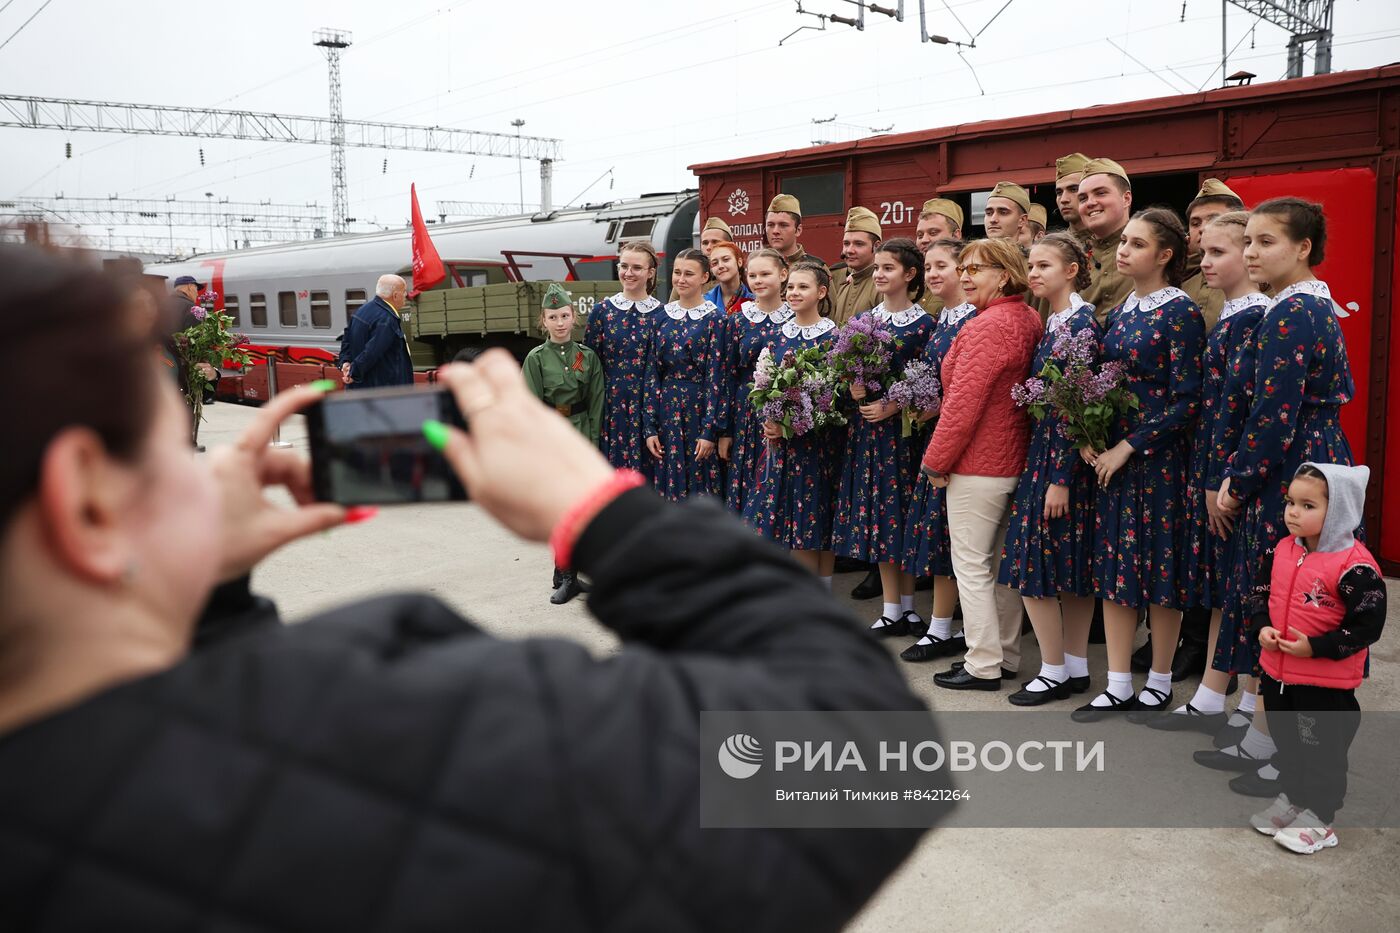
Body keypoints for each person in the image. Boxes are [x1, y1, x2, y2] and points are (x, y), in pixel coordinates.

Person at [0, 243, 929, 931]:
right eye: (171, 454)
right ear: (85, 504)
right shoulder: (399, 714)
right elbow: (864, 756)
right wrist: (599, 508)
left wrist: (202, 591)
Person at [1206, 198, 1356, 774]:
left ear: (1303, 248)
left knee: (1293, 608)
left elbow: (1273, 412)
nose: (1250, 253)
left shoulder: (1294, 311)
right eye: (1248, 242)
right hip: (1305, 463)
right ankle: (1269, 740)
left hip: (1292, 471)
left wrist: (1238, 483)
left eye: (1265, 242)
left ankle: (1289, 754)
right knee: (1284, 602)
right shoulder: (1302, 305)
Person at [1075, 208, 1205, 721]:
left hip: (1158, 461)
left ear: (1165, 255)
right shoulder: (1125, 307)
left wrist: (1128, 446)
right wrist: (1089, 436)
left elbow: (1188, 399)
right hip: (1112, 460)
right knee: (1116, 570)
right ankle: (1118, 681)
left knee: (1160, 572)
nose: (1122, 250)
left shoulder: (1181, 312)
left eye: (1135, 243)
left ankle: (1160, 679)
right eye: (1123, 242)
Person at [1149, 212, 1268, 731]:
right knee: (1225, 589)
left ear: (1249, 254)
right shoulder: (1235, 313)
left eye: (1218, 252)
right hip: (1216, 469)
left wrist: (1225, 481)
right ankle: (1214, 697)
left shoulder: (1256, 316)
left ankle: (1248, 702)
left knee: (1249, 592)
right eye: (1205, 250)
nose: (1204, 260)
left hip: (1235, 477)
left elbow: (1244, 410)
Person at [921, 238, 1042, 691]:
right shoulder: (1026, 317)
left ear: (1005, 275)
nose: (966, 276)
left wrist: (935, 461)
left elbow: (962, 405)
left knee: (971, 566)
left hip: (979, 463)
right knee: (998, 567)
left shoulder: (987, 326)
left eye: (978, 269)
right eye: (964, 268)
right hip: (1014, 458)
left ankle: (982, 664)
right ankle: (1004, 656)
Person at [1244, 463, 1384, 854]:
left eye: (1307, 505)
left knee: (1322, 751)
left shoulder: (1355, 566)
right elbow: (1258, 593)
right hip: (1278, 674)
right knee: (1288, 745)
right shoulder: (1281, 550)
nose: (1292, 512)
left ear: (1338, 510)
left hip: (1324, 685)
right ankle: (1293, 798)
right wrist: (1261, 627)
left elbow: (1367, 626)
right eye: (1290, 502)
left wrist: (1315, 648)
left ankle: (1322, 818)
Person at [999, 234, 1098, 704]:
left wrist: (1059, 477)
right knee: (1067, 568)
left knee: (1033, 566)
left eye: (1043, 265)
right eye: (1030, 265)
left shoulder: (1079, 324)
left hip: (1057, 462)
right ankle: (1073, 666)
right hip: (1050, 455)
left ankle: (1056, 669)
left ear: (1072, 269)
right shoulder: (1057, 319)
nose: (1033, 273)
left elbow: (1072, 408)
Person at [833, 239, 935, 638]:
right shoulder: (866, 320)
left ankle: (907, 607)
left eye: (888, 268)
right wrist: (854, 387)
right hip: (869, 434)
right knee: (881, 517)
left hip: (906, 434)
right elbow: (847, 367)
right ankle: (893, 608)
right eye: (877, 268)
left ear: (910, 275)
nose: (878, 274)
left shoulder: (925, 324)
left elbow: (931, 379)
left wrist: (895, 404)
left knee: (905, 517)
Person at [899, 238, 975, 663]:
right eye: (928, 266)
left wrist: (937, 409)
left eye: (941, 265)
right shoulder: (943, 318)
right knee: (939, 537)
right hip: (934, 435)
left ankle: (946, 628)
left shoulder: (971, 320)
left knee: (951, 539)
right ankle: (943, 625)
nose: (931, 274)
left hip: (957, 442)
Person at [743, 261, 840, 582]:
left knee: (811, 522)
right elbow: (764, 384)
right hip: (779, 447)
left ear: (821, 292)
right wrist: (770, 419)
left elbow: (833, 395)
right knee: (783, 523)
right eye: (792, 287)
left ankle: (817, 601)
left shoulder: (832, 336)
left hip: (815, 445)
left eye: (803, 287)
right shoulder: (776, 335)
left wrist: (794, 422)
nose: (794, 293)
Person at [523, 283, 605, 605]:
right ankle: (566, 575)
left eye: (565, 315)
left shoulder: (587, 357)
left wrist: (594, 442)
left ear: (574, 317)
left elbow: (596, 401)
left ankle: (567, 570)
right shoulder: (536, 359)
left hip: (582, 433)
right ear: (543, 321)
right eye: (553, 317)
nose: (559, 322)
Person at [715, 248, 792, 513]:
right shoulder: (736, 321)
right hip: (746, 415)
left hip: (786, 415)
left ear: (783, 275)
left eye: (765, 274)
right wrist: (724, 431)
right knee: (749, 485)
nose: (757, 280)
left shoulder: (796, 318)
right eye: (752, 275)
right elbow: (725, 376)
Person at [644, 248, 722, 502]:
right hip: (668, 408)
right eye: (677, 272)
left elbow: (717, 376)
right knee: (669, 474)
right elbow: (652, 373)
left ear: (704, 277)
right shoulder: (661, 317)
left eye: (689, 273)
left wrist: (710, 429)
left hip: (699, 406)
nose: (681, 279)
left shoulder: (716, 320)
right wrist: (650, 426)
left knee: (702, 474)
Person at [584, 240, 661, 478]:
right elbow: (588, 360)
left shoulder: (663, 314)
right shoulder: (602, 311)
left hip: (650, 404)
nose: (628, 273)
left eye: (636, 268)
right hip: (611, 404)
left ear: (650, 272)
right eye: (623, 266)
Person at [1075, 157, 1135, 325]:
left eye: (1100, 193)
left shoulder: (1156, 247)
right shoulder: (1073, 258)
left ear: (1126, 199)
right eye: (1082, 198)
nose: (1090, 203)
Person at [1181, 178, 1246, 332]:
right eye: (1195, 223)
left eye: (1215, 219)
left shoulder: (1259, 281)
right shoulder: (1175, 280)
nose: (1203, 228)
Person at [340, 274, 413, 389]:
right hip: (382, 392)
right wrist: (353, 372)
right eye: (404, 291)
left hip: (363, 389)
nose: (406, 295)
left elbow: (346, 339)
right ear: (395, 295)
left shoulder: (363, 310)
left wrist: (345, 362)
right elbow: (372, 352)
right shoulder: (387, 319)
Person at [831, 206, 882, 326]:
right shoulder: (844, 286)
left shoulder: (882, 286)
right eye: (846, 243)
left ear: (876, 246)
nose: (849, 250)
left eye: (859, 244)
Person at [915, 198, 964, 317]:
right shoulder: (912, 278)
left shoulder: (969, 280)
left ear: (956, 235)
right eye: (920, 235)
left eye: (933, 233)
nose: (924, 240)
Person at [765, 193, 822, 266]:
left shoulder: (816, 268)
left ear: (798, 230)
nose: (775, 231)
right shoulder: (757, 266)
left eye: (783, 225)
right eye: (770, 225)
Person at [704, 240, 753, 314]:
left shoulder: (754, 300)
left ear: (739, 262)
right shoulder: (704, 302)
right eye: (715, 263)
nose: (720, 266)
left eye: (726, 260)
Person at [1054, 152, 1091, 241]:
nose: (1063, 200)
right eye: (1059, 192)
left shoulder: (1123, 242)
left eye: (1074, 189)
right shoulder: (1054, 247)